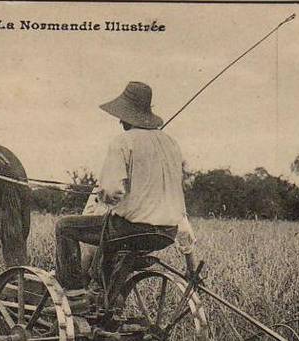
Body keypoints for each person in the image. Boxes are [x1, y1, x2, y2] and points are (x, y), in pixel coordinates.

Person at [55, 81, 196, 290]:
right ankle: (108, 297)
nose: (120, 120)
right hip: (166, 233)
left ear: (125, 116)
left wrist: (103, 196)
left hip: (131, 230)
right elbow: (177, 203)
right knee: (108, 241)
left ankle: (73, 292)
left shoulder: (123, 142)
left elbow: (111, 192)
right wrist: (191, 265)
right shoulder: (172, 144)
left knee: (64, 226)